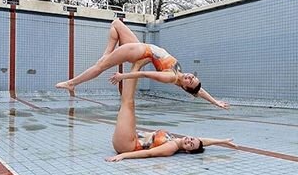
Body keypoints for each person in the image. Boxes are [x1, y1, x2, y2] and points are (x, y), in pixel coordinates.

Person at [55, 19, 229, 109]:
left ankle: (71, 83)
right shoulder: (181, 74)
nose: (191, 77)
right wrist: (214, 101)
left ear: (184, 86)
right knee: (116, 24)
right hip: (143, 48)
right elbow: (198, 91)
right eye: (194, 77)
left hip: (140, 52)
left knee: (101, 66)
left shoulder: (171, 77)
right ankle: (105, 55)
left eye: (190, 81)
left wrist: (124, 76)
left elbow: (145, 74)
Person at [105, 63, 236, 162]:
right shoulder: (178, 140)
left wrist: (122, 156)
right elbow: (202, 141)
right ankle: (136, 64)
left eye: (190, 145)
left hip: (127, 145)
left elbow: (148, 154)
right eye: (192, 139)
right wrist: (222, 141)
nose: (189, 141)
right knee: (128, 103)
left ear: (187, 151)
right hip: (131, 138)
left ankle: (137, 65)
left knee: (128, 103)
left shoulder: (171, 147)